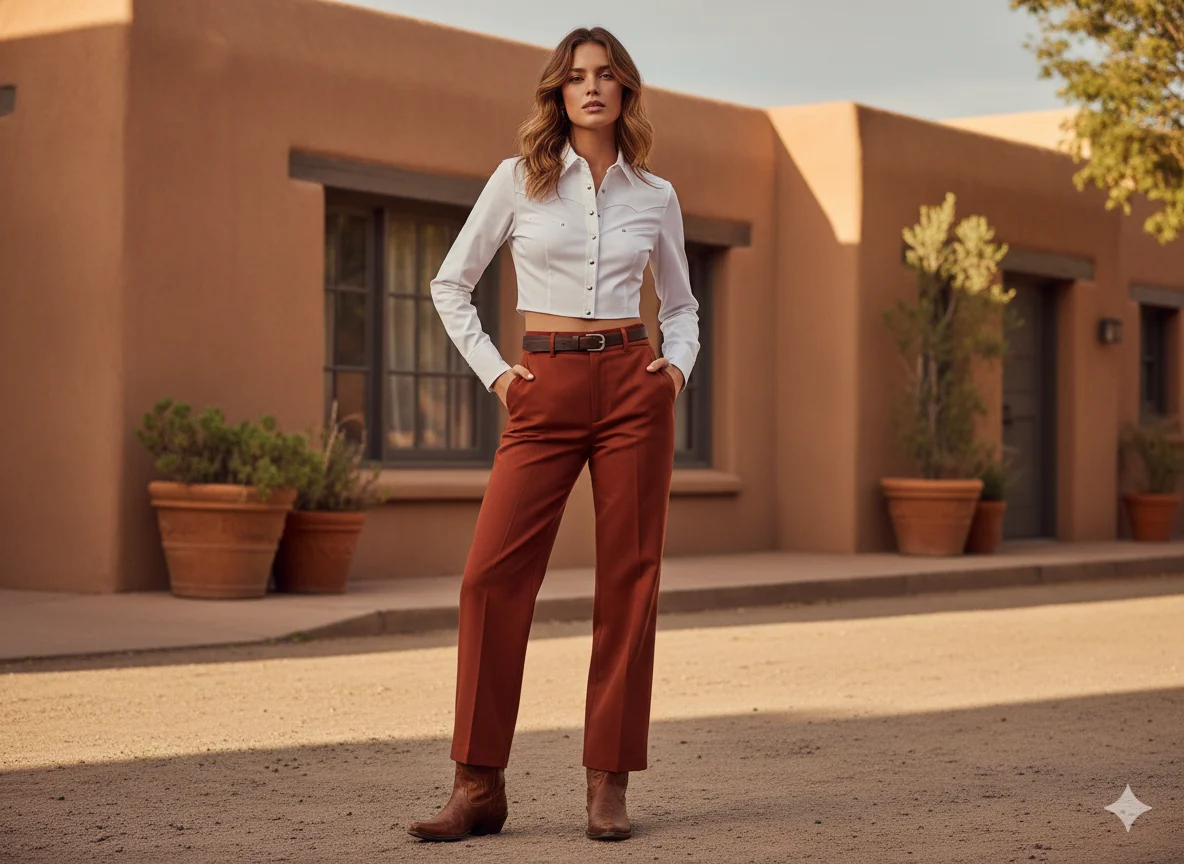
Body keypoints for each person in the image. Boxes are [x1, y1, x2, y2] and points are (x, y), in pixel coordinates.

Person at [407, 25, 699, 843]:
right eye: (576, 78)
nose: (592, 88)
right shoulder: (518, 180)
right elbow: (449, 284)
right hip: (543, 385)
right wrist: (499, 374)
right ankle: (478, 785)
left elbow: (680, 305)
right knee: (490, 577)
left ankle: (608, 782)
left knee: (629, 582)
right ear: (558, 93)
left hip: (632, 386)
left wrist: (674, 368)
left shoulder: (657, 195)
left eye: (605, 75)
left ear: (625, 90)